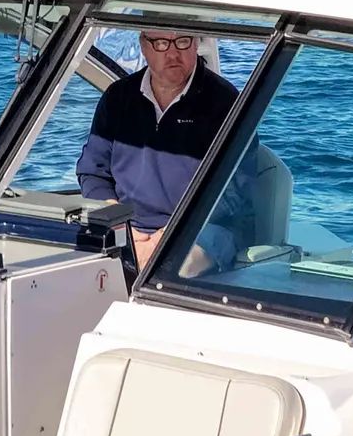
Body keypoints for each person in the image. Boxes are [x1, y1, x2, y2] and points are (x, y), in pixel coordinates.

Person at [76, 27, 236, 267]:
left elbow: (233, 195)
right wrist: (116, 219)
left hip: (201, 228)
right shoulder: (118, 97)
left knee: (168, 267)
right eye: (162, 43)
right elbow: (92, 172)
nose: (173, 54)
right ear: (143, 45)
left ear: (194, 43)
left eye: (182, 41)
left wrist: (168, 235)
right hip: (127, 225)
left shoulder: (226, 102)